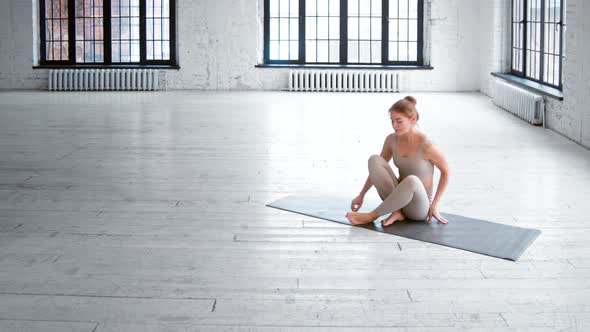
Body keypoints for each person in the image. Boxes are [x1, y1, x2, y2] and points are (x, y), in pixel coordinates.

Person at [345, 96, 450, 226]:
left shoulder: (427, 145)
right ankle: (397, 212)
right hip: (397, 199)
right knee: (375, 160)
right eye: (392, 121)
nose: (394, 125)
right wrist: (361, 195)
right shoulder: (391, 140)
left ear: (413, 119)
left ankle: (372, 215)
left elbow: (446, 172)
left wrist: (434, 205)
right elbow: (378, 170)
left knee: (412, 180)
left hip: (418, 208)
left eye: (399, 121)